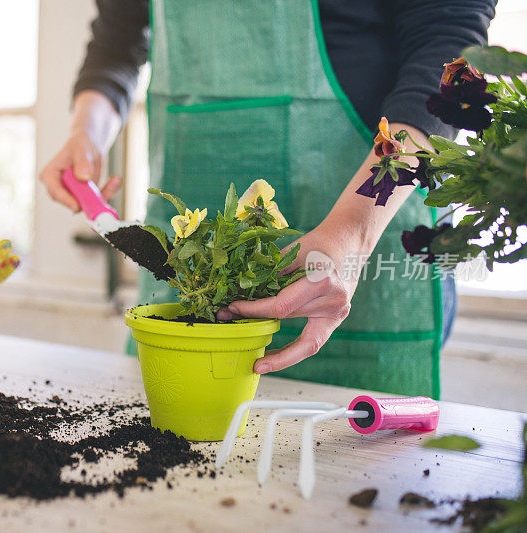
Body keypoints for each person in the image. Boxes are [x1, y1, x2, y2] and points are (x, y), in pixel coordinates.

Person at [39, 0, 496, 397]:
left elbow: (451, 59)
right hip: (186, 261)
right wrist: (87, 133)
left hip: (368, 224)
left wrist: (352, 233)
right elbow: (117, 42)